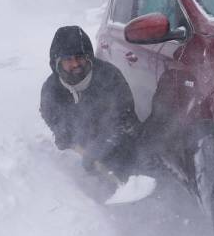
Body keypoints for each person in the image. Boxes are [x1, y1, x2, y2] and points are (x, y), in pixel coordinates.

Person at [39, 25, 141, 182]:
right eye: (68, 59)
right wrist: (64, 135)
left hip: (117, 139)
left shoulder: (109, 76)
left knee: (130, 156)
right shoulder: (51, 89)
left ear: (88, 57)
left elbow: (124, 118)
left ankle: (131, 181)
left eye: (79, 57)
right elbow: (51, 116)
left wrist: (100, 147)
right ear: (58, 63)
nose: (75, 64)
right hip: (83, 141)